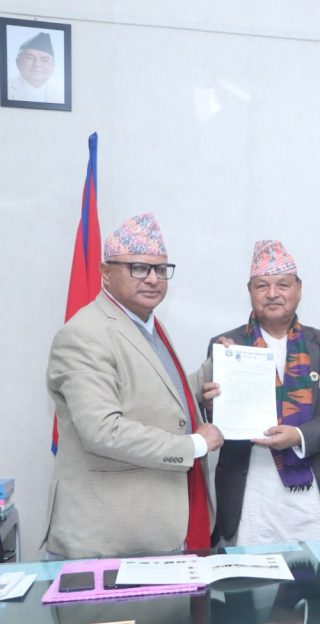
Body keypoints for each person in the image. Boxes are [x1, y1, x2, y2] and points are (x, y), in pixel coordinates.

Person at [44, 213, 222, 558]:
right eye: (138, 268)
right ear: (105, 273)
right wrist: (195, 445)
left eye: (160, 269)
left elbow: (160, 393)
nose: (152, 279)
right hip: (108, 541)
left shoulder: (147, 323)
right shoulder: (84, 334)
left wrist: (218, 368)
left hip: (155, 531)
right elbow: (103, 430)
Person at [201, 240, 320, 546]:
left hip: (316, 500)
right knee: (252, 576)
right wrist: (211, 405)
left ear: (298, 289)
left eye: (282, 285)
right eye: (262, 285)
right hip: (252, 497)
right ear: (250, 290)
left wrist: (299, 435)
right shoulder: (225, 346)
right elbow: (217, 418)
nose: (272, 293)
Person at [8, 32, 61, 103]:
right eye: (30, 58)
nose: (37, 64)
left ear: (53, 67)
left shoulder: (60, 94)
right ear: (17, 62)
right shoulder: (5, 88)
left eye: (44, 60)